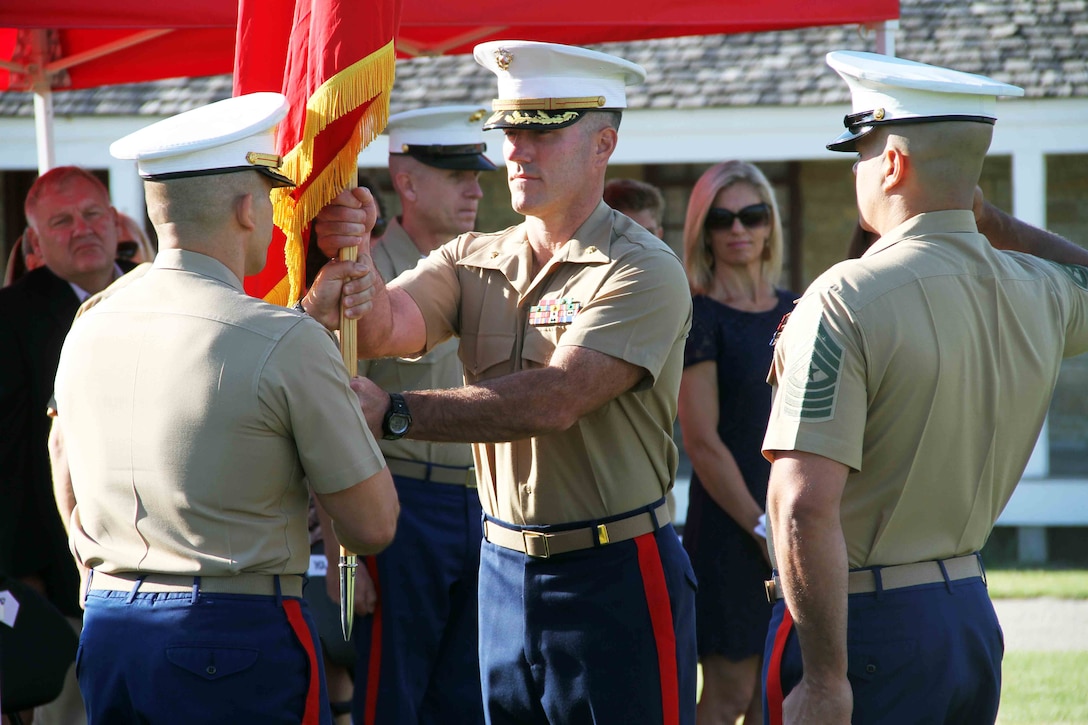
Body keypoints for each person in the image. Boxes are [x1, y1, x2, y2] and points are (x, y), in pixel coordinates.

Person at [314, 40, 697, 724]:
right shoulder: (474, 256)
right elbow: (380, 327)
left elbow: (557, 398)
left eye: (543, 133)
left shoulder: (641, 267)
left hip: (612, 572)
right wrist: (358, 250)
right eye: (511, 131)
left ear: (604, 142)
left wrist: (397, 412)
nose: (517, 151)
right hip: (503, 568)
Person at [760, 51, 1088, 725]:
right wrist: (987, 220)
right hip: (966, 612)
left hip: (862, 628)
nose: (856, 170)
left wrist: (825, 678)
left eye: (861, 151)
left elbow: (801, 506)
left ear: (891, 164)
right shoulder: (1040, 290)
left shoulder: (845, 296)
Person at [50, 92, 399, 724]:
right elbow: (373, 525)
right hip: (232, 632)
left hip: (110, 619)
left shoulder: (91, 319)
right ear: (247, 208)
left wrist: (90, 558)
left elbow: (60, 449)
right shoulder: (286, 342)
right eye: (268, 201)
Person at [314, 104, 495, 725]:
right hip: (400, 508)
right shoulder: (359, 277)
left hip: (484, 506)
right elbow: (327, 418)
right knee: (393, 697)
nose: (476, 187)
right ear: (409, 182)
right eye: (456, 174)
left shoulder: (485, 271)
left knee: (469, 699)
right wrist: (346, 550)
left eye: (476, 173)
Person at [0, 165, 138, 725]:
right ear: (35, 241)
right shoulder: (10, 318)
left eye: (92, 214)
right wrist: (21, 571)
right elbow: (13, 459)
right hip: (62, 573)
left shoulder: (154, 289)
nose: (82, 229)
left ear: (114, 219)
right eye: (62, 221)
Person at [677, 161, 794, 725]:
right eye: (722, 219)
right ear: (704, 231)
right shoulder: (698, 317)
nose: (738, 229)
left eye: (752, 214)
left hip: (793, 522)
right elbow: (702, 443)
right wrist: (761, 527)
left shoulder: (797, 311)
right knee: (726, 696)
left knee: (768, 697)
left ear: (770, 223)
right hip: (731, 528)